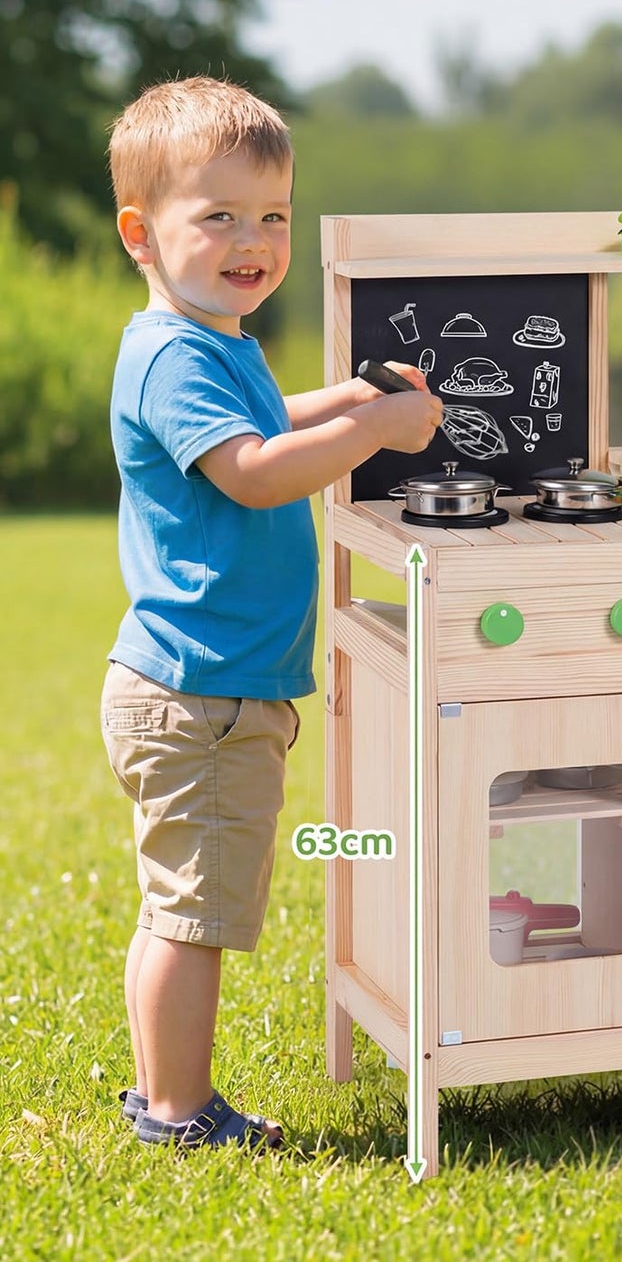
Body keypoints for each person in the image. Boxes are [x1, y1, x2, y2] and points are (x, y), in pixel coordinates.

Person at [101, 76, 442, 1148]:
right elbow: (252, 469)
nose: (252, 240)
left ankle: (164, 1089)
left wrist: (340, 399)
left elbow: (259, 421)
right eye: (218, 216)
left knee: (181, 905)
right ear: (140, 235)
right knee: (193, 918)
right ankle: (177, 1110)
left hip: (210, 687)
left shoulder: (216, 344)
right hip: (198, 693)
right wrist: (380, 426)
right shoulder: (171, 352)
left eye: (273, 217)